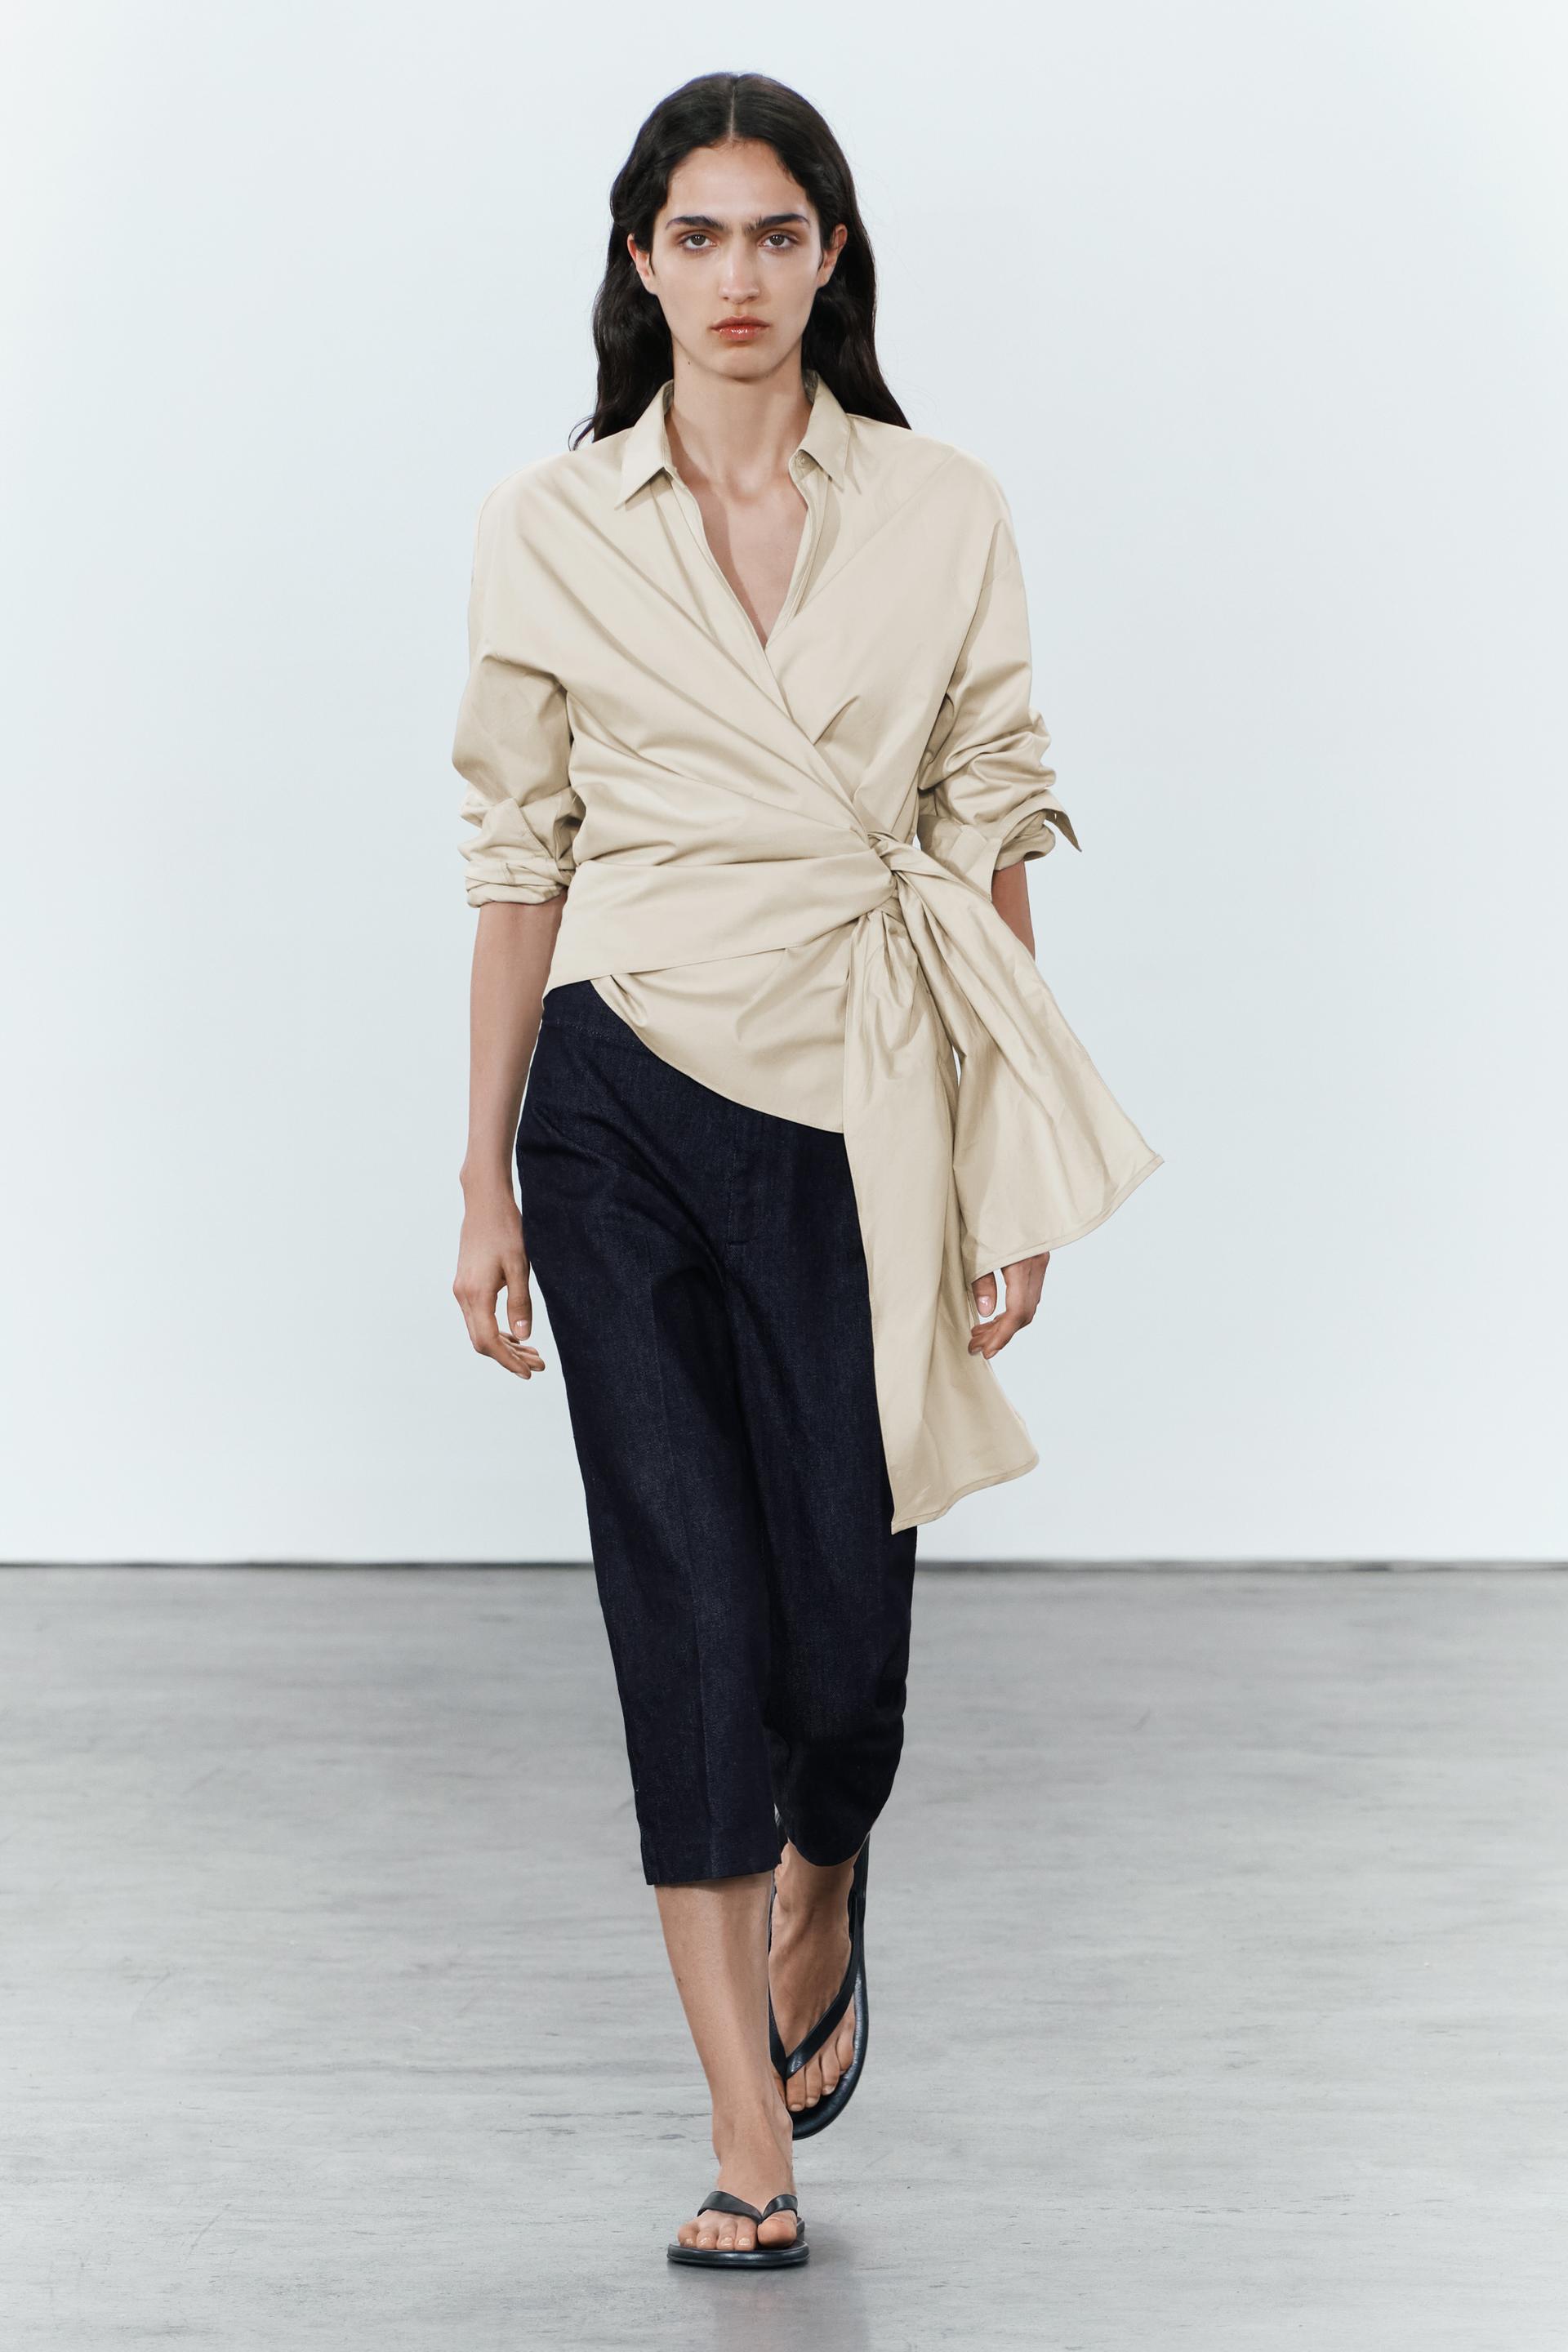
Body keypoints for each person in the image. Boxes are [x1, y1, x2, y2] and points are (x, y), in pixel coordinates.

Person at [450, 71, 1161, 2271]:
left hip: (862, 1093)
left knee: (844, 1651)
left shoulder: (942, 508)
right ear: (638, 260)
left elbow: (989, 820)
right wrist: (480, 1176)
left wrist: (1009, 1159)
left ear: (832, 255)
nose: (738, 275)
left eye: (777, 233)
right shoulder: (550, 522)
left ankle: (824, 1864)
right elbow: (514, 853)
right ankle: (747, 2138)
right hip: (618, 1095)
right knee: (682, 1601)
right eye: (699, 235)